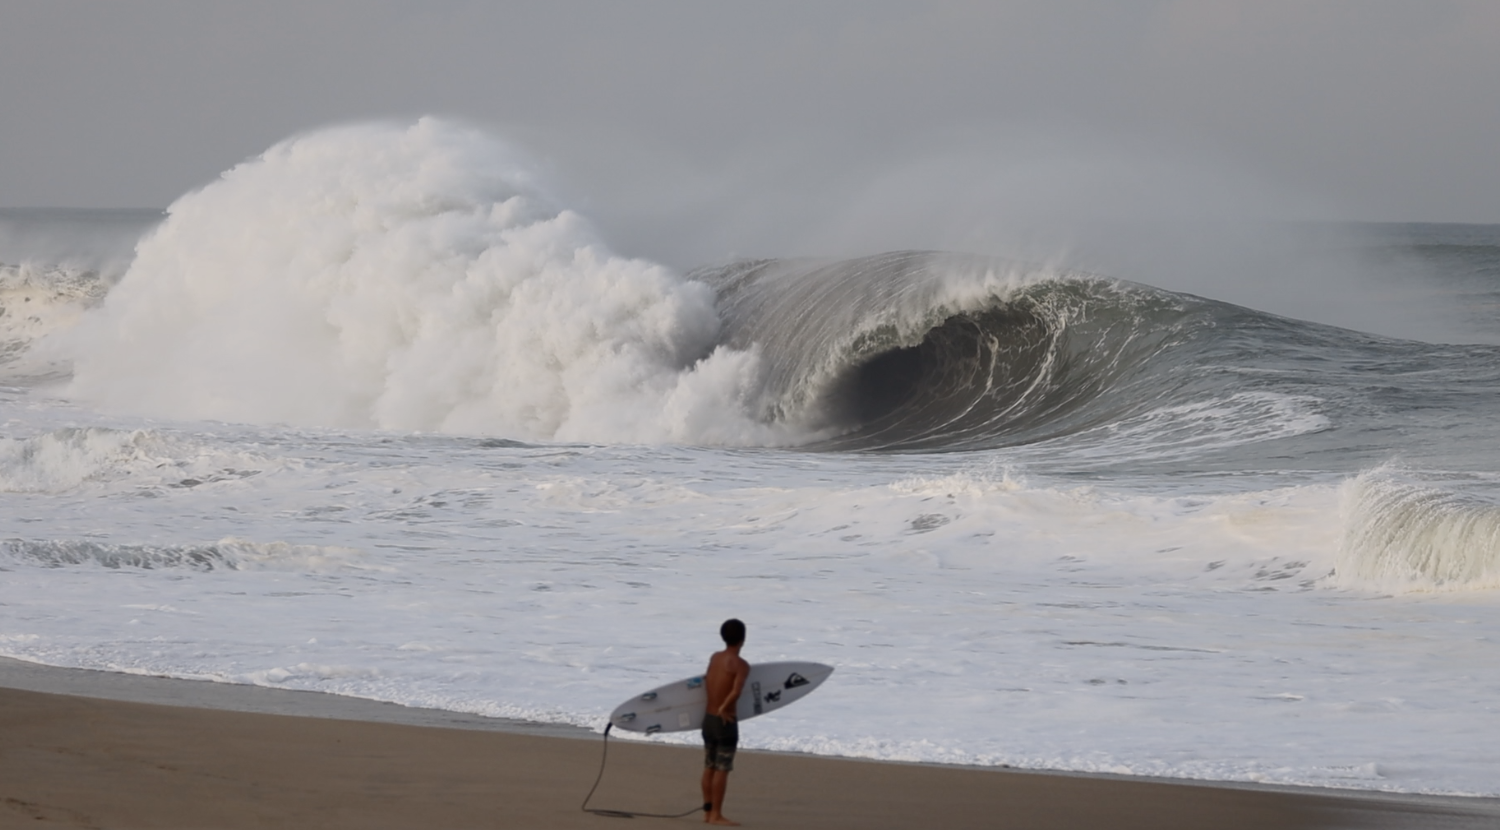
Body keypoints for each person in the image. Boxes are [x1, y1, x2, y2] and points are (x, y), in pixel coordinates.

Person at [701, 618, 748, 826]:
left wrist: (715, 707)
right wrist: (724, 708)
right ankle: (716, 815)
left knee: (709, 766)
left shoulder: (714, 658)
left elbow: (706, 680)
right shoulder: (741, 665)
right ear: (743, 639)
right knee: (722, 768)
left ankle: (707, 812)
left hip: (708, 720)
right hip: (724, 722)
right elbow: (736, 691)